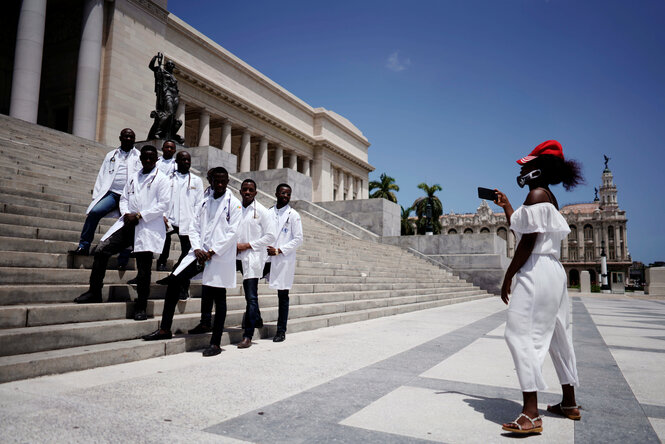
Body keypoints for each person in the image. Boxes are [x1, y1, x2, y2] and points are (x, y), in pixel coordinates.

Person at [493, 140, 583, 434]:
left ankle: (530, 413)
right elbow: (524, 230)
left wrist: (509, 276)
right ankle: (569, 402)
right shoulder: (547, 197)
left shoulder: (535, 195)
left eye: (528, 166)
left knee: (520, 333)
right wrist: (507, 206)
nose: (523, 170)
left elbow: (527, 242)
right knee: (558, 334)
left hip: (536, 268)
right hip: (553, 270)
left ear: (538, 170)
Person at [143, 167, 242, 357]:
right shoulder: (204, 201)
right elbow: (193, 226)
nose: (219, 184)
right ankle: (165, 329)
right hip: (198, 252)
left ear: (228, 181)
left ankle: (215, 343)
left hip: (219, 256)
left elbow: (232, 233)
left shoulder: (234, 204)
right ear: (210, 181)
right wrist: (197, 248)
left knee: (218, 297)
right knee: (174, 282)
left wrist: (212, 251)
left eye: (223, 181)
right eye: (216, 180)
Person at [74, 145, 171, 322]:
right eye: (145, 158)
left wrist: (140, 215)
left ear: (156, 160)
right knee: (102, 251)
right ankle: (94, 291)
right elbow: (124, 198)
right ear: (140, 159)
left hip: (146, 227)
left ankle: (141, 306)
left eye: (151, 158)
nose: (147, 160)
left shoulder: (162, 179)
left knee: (143, 268)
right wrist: (126, 213)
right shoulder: (133, 177)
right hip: (128, 224)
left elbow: (163, 204)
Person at [70, 128, 141, 258]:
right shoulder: (111, 155)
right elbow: (102, 175)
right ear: (120, 138)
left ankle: (126, 252)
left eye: (131, 137)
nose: (129, 139)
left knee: (130, 222)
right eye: (126, 136)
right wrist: (96, 197)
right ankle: (84, 246)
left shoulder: (138, 156)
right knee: (94, 213)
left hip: (130, 197)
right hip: (113, 194)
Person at [236, 179, 275, 349]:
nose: (247, 192)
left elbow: (270, 236)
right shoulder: (235, 209)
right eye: (244, 189)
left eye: (251, 190)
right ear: (240, 191)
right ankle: (256, 318)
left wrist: (247, 245)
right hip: (234, 255)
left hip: (252, 256)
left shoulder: (262, 211)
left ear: (256, 192)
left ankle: (248, 335)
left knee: (251, 296)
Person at [156, 151, 204, 285]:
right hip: (170, 219)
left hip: (188, 222)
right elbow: (162, 198)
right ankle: (161, 262)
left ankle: (179, 281)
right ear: (176, 162)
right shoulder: (167, 178)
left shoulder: (197, 180)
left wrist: (195, 222)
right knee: (162, 241)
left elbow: (199, 204)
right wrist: (163, 215)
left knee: (187, 254)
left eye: (188, 160)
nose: (186, 162)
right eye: (183, 160)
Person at [265, 183, 303, 342]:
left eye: (288, 194)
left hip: (282, 258)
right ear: (276, 193)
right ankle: (255, 318)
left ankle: (281, 330)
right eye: (283, 193)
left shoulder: (293, 215)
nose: (285, 196)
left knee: (283, 295)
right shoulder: (268, 212)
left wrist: (280, 250)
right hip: (266, 257)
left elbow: (299, 239)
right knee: (250, 286)